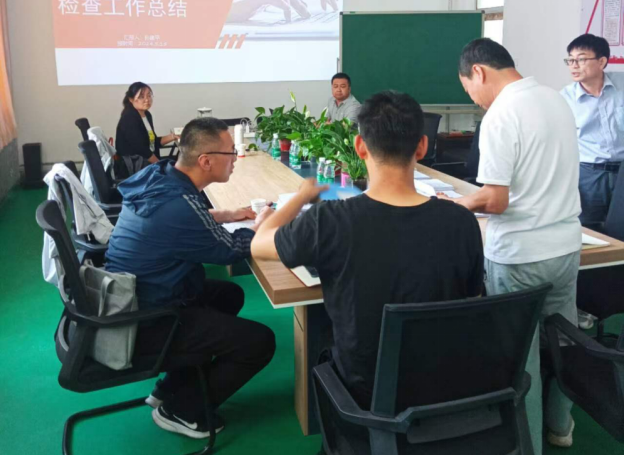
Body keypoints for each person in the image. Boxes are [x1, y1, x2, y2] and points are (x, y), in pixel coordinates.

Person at [251, 90, 484, 410]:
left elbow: (259, 245)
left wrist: (302, 196)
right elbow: (472, 299)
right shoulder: (462, 221)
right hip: (445, 382)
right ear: (422, 146)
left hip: (364, 390)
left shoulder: (329, 220)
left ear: (360, 146)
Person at [448, 38, 581, 453]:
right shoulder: (556, 99)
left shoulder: (501, 114)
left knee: (519, 358)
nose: (473, 99)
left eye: (468, 89)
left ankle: (528, 446)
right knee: (563, 344)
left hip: (521, 255)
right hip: (565, 246)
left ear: (479, 72)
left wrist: (457, 205)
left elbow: (495, 200)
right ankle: (561, 426)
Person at [105, 117, 276, 439]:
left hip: (129, 297)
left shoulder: (160, 176)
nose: (236, 158)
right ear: (206, 161)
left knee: (228, 295)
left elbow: (182, 219)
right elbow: (232, 249)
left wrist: (228, 214)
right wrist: (264, 223)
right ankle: (181, 411)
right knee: (259, 341)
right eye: (231, 152)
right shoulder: (178, 205)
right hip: (144, 321)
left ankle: (172, 385)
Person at [560, 34, 624, 230]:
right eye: (570, 60)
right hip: (589, 174)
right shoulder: (565, 98)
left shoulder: (622, 84)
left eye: (581, 59)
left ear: (602, 62)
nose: (574, 66)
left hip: (622, 170)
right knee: (589, 229)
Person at [115, 82, 179, 169]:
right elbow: (142, 149)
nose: (147, 100)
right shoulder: (129, 118)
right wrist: (160, 165)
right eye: (141, 97)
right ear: (131, 99)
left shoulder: (147, 115)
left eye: (149, 96)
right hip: (134, 166)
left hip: (146, 162)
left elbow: (153, 142)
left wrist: (173, 136)